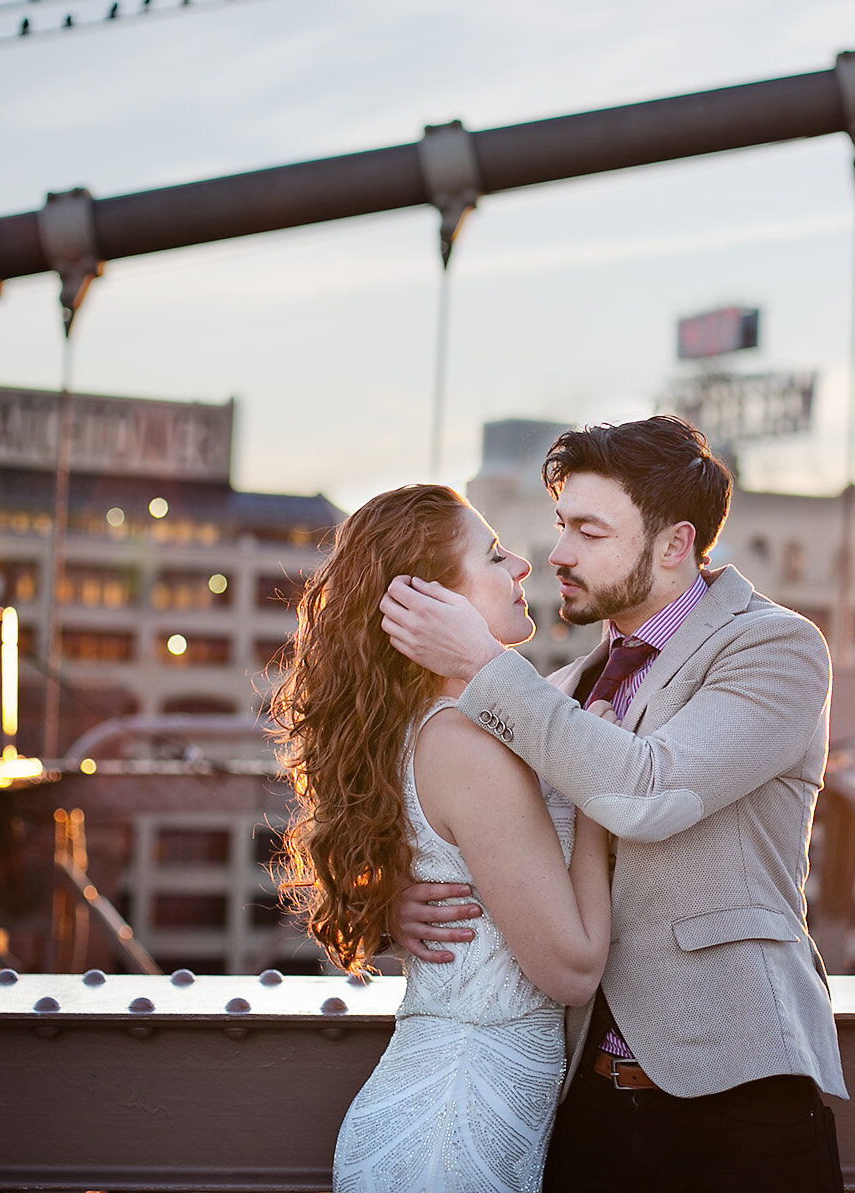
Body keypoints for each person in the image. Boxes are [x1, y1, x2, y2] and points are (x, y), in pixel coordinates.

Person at [378, 416, 846, 1193]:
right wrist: (405, 901)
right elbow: (503, 839)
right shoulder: (561, 691)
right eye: (562, 525)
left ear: (672, 545)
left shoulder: (776, 648)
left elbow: (649, 792)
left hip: (738, 1098)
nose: (557, 553)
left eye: (589, 531)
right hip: (586, 1101)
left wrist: (484, 665)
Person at [269, 484, 612, 1193]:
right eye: (492, 555)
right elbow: (573, 968)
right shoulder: (467, 743)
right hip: (450, 1133)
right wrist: (600, 796)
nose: (521, 564)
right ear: (431, 601)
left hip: (452, 1107)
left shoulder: (429, 723)